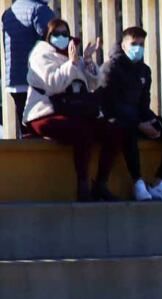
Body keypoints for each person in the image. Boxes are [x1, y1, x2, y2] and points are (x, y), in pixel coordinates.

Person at [24, 19, 123, 201]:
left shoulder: (72, 54)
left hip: (73, 111)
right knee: (82, 132)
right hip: (44, 113)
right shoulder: (41, 55)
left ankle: (101, 183)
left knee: (114, 131)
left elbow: (93, 84)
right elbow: (53, 85)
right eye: (56, 34)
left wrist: (87, 61)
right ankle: (82, 185)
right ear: (48, 36)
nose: (61, 37)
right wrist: (71, 64)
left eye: (64, 33)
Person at [99, 26, 162, 202]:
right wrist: (139, 124)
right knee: (127, 132)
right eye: (133, 43)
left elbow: (143, 104)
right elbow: (110, 105)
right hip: (118, 121)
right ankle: (138, 182)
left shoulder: (144, 70)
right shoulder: (110, 68)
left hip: (139, 118)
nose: (137, 48)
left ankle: (159, 183)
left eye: (141, 44)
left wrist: (152, 121)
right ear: (123, 45)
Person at [2, 0, 54, 137]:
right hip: (37, 80)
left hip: (14, 81)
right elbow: (54, 40)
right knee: (44, 130)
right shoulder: (39, 10)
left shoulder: (8, 13)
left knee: (27, 130)